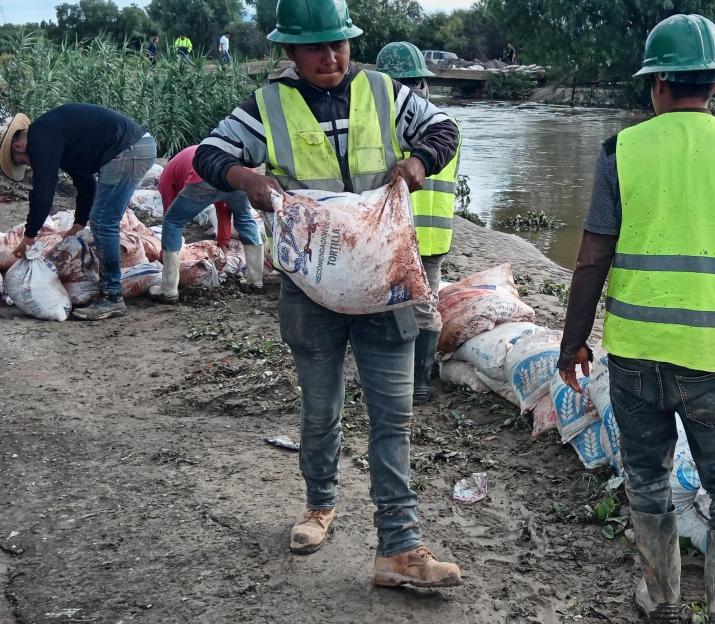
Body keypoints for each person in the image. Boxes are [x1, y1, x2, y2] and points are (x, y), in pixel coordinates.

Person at [192, 0, 463, 588]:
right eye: (315, 47)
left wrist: (418, 163)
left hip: (385, 283)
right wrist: (247, 178)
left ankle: (399, 546)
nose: (330, 56)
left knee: (393, 417)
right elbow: (210, 154)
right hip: (310, 285)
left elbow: (445, 129)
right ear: (289, 51)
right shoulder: (267, 106)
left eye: (337, 44)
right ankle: (319, 505)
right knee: (321, 411)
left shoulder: (387, 92)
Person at [556, 14, 715, 624]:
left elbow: (593, 254)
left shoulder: (620, 150)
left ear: (656, 84)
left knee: (647, 479)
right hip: (714, 358)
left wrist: (572, 342)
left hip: (635, 352)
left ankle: (662, 603)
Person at [0, 104, 157, 320]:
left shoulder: (40, 136)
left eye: (22, 162)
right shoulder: (57, 135)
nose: (29, 164)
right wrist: (79, 223)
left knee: (103, 222)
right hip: (137, 146)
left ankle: (112, 297)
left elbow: (43, 190)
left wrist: (29, 235)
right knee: (102, 219)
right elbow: (85, 181)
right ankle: (111, 293)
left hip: (127, 150)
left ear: (18, 146)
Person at [376, 40, 461, 404]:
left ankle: (406, 379)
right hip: (435, 233)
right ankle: (420, 379)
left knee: (394, 304)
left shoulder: (389, 129)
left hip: (400, 234)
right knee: (425, 302)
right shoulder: (446, 126)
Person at [148, 145, 263, 303]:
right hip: (240, 176)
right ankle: (255, 281)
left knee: (172, 222)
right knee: (244, 219)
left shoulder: (168, 172)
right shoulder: (203, 149)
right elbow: (223, 205)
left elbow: (172, 214)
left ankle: (168, 289)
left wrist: (164, 253)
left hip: (203, 176)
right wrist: (223, 242)